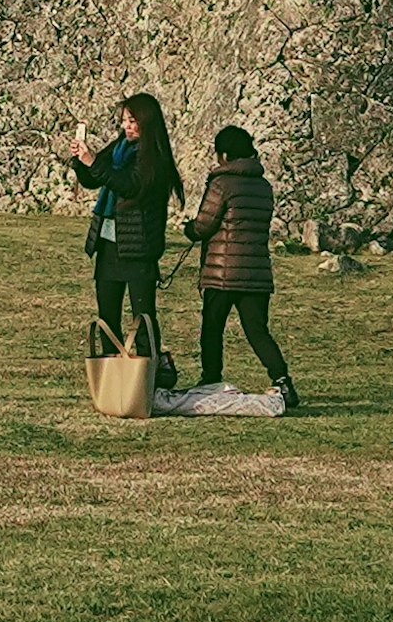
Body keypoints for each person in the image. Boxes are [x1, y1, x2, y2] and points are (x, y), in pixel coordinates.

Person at [67, 91, 184, 377]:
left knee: (143, 318)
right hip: (108, 243)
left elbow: (130, 186)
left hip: (137, 245)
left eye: (132, 121)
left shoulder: (152, 155)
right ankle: (113, 379)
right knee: (107, 316)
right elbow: (97, 177)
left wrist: (94, 162)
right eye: (124, 121)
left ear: (147, 122)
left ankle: (150, 377)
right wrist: (81, 161)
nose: (127, 127)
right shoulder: (120, 147)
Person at [186, 125, 298, 411]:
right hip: (257, 271)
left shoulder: (221, 184)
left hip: (222, 272)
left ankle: (211, 378)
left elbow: (204, 225)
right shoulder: (263, 186)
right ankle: (282, 380)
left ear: (224, 154)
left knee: (212, 328)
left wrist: (190, 230)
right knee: (257, 330)